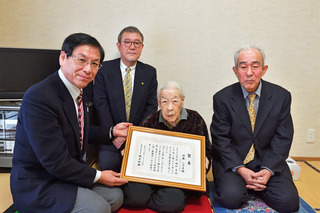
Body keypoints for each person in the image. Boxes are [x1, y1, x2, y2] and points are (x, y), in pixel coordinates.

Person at [10, 33, 131, 213]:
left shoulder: (79, 91)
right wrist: (99, 176)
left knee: (115, 197)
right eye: (81, 60)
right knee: (99, 208)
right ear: (62, 57)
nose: (88, 70)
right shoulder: (40, 97)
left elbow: (79, 132)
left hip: (66, 175)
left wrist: (112, 131)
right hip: (40, 182)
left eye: (95, 64)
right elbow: (54, 162)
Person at [210, 45, 299, 212]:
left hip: (267, 161)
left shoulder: (281, 96)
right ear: (235, 71)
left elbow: (283, 136)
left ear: (264, 69)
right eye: (243, 67)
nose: (249, 72)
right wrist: (241, 169)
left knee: (289, 203)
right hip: (235, 162)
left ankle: (258, 184)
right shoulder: (222, 98)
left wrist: (268, 169)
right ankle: (247, 185)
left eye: (255, 66)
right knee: (231, 198)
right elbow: (220, 139)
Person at [122, 81, 212, 213]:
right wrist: (129, 153)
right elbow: (137, 151)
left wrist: (206, 159)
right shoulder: (150, 121)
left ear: (182, 100)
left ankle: (156, 199)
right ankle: (157, 198)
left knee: (172, 202)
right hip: (151, 178)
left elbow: (207, 150)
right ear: (158, 102)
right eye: (164, 102)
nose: (169, 107)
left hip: (178, 181)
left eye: (175, 101)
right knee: (132, 196)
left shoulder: (195, 118)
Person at [94, 26, 158, 172]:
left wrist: (135, 137)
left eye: (137, 43)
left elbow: (151, 106)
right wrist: (114, 134)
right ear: (118, 46)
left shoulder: (149, 72)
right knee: (109, 165)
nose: (132, 47)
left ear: (142, 47)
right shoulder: (103, 70)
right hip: (110, 136)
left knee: (142, 170)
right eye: (127, 42)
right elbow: (100, 104)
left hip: (138, 137)